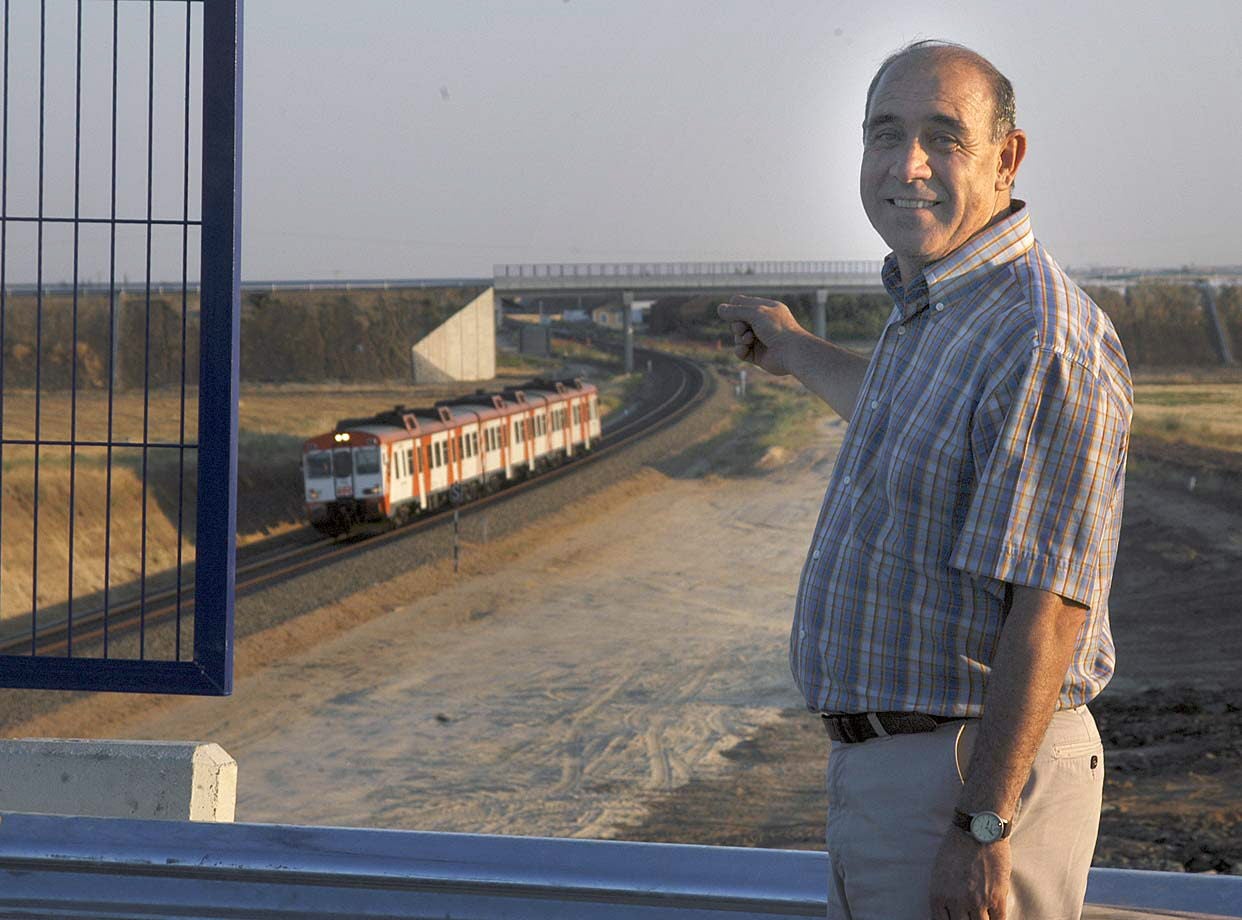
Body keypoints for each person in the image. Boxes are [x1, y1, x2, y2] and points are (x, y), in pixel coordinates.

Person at [718, 40, 1131, 920]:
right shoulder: (943, 308)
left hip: (968, 781)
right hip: (903, 777)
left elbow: (1052, 610)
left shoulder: (1039, 338)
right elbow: (903, 419)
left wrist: (983, 825)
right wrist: (793, 349)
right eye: (884, 133)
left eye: (944, 137)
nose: (907, 164)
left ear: (1006, 158)